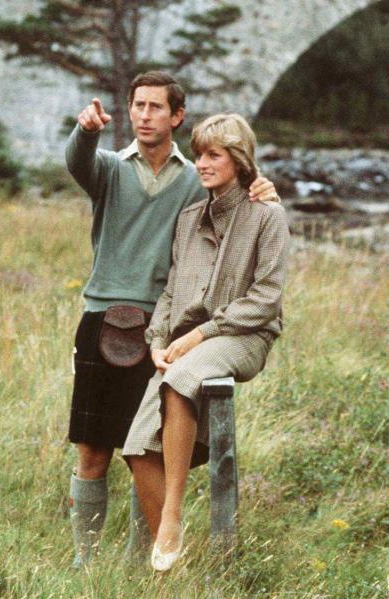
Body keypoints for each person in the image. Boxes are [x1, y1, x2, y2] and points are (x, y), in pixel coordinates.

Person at [63, 72, 279, 568]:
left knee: (148, 449)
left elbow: (232, 197)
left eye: (155, 107)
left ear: (177, 116)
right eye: (137, 105)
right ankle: (85, 565)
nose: (143, 114)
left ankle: (142, 561)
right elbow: (76, 162)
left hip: (163, 326)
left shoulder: (194, 178)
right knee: (92, 450)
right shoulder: (109, 169)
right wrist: (88, 130)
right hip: (103, 316)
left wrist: (261, 188)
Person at [121, 113, 289, 572]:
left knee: (180, 379)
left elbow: (267, 299)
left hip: (244, 336)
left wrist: (200, 333)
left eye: (214, 155)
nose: (202, 163)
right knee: (136, 447)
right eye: (198, 155)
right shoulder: (191, 217)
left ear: (238, 160)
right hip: (186, 344)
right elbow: (173, 290)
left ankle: (173, 514)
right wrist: (156, 338)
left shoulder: (266, 214)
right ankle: (173, 567)